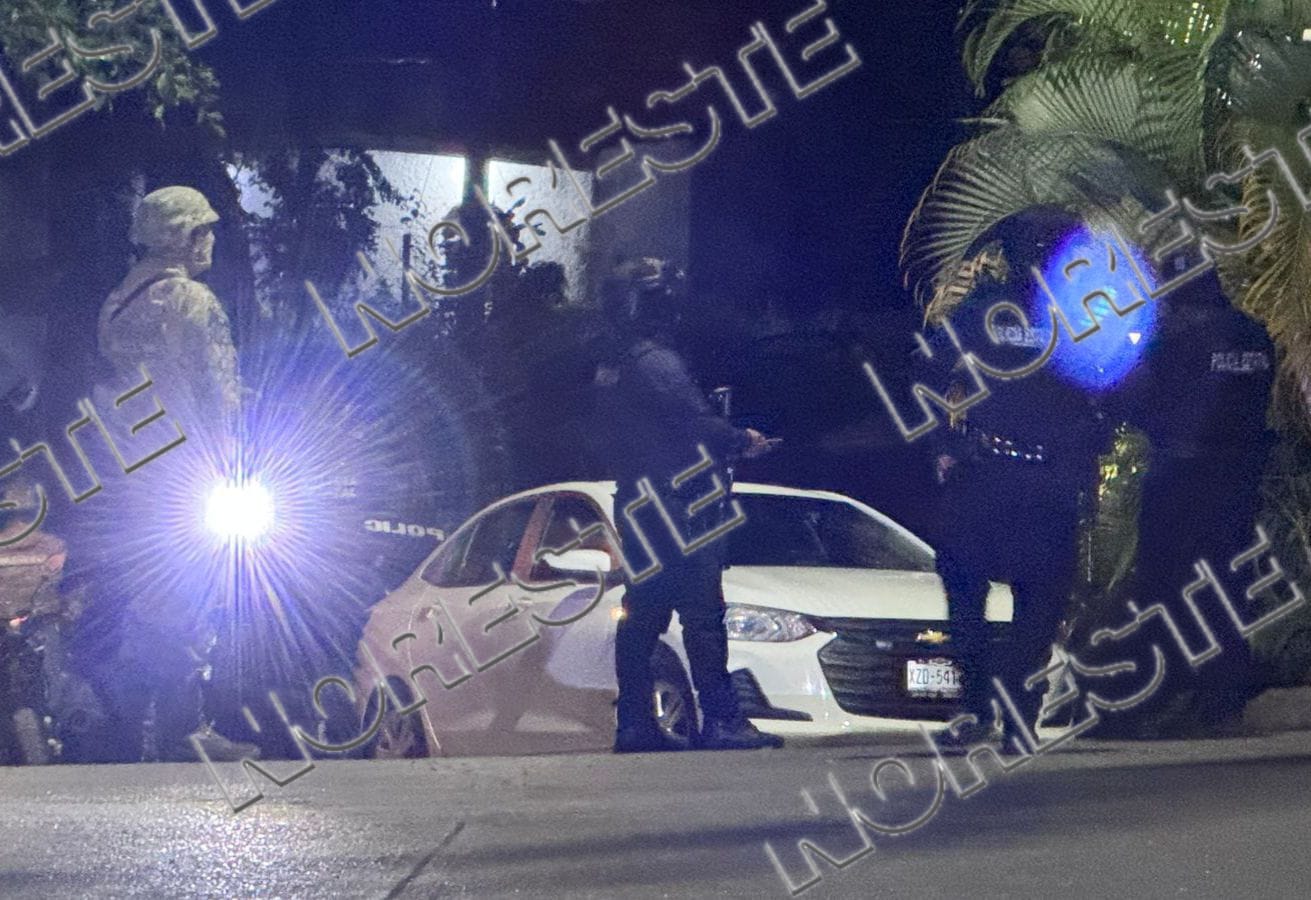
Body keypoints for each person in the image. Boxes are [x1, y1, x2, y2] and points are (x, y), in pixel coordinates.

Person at [931, 215, 1110, 750]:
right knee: (1029, 600)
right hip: (1029, 476)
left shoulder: (987, 310)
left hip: (1001, 474)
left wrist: (944, 444)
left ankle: (988, 710)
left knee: (980, 592)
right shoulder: (1076, 314)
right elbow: (1111, 392)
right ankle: (1005, 714)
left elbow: (926, 372)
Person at [595, 257, 783, 753]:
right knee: (702, 613)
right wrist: (741, 439)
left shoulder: (614, 366)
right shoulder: (656, 362)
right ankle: (721, 720)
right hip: (679, 504)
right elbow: (695, 425)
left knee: (643, 614)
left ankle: (633, 724)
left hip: (638, 502)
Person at [93, 185, 253, 763]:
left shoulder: (117, 302)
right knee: (193, 594)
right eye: (202, 229)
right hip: (189, 469)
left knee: (150, 596)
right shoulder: (192, 301)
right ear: (180, 236)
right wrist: (232, 459)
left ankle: (130, 722)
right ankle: (183, 727)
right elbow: (218, 390)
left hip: (133, 468)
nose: (209, 240)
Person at [1108, 270, 1276, 736]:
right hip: (1237, 480)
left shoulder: (1173, 336)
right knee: (1228, 588)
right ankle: (1223, 702)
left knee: (1163, 587)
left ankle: (1160, 701)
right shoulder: (1252, 333)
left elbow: (1135, 400)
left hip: (1181, 480)